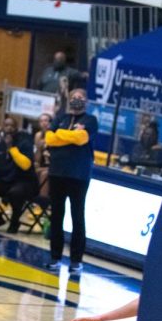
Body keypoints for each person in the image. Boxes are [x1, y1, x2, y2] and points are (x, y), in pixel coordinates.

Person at [45, 88, 98, 275]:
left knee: (77, 217)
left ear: (86, 102)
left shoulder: (90, 121)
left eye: (80, 98)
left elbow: (81, 139)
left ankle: (76, 260)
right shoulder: (61, 118)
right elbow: (49, 139)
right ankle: (55, 257)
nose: (76, 100)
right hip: (57, 173)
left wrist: (61, 135)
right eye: (74, 97)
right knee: (57, 216)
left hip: (78, 175)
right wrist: (67, 135)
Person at [0, 116, 38, 232]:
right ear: (2, 128)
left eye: (12, 126)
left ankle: (15, 222)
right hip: (5, 180)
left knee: (15, 192)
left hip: (24, 181)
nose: (9, 128)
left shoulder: (25, 142)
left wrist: (11, 148)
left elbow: (26, 165)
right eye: (6, 126)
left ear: (17, 128)